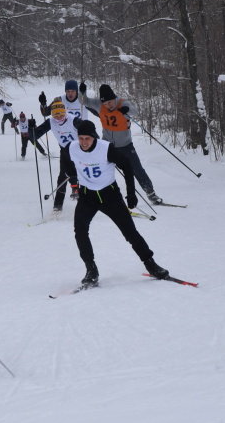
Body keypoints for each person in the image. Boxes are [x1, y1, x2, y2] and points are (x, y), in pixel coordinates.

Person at [65, 120, 170, 288]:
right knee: (80, 231)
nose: (83, 142)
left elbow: (127, 166)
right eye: (81, 138)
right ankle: (91, 270)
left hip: (109, 195)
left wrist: (130, 194)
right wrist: (74, 179)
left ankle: (150, 264)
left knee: (130, 232)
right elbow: (66, 163)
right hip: (87, 196)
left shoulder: (106, 149)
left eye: (87, 139)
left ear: (94, 137)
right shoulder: (71, 148)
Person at [81, 82, 163, 205]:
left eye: (110, 102)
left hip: (125, 145)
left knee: (137, 169)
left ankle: (151, 194)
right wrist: (82, 93)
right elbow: (84, 101)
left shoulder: (122, 103)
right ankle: (99, 195)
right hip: (108, 145)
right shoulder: (99, 104)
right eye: (105, 103)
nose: (108, 105)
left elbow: (135, 112)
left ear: (114, 98)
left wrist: (127, 110)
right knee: (102, 169)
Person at [30, 101, 82, 213]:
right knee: (62, 178)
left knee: (84, 176)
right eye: (55, 114)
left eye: (61, 114)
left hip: (80, 151)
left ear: (65, 112)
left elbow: (89, 131)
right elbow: (35, 136)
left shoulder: (74, 120)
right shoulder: (50, 122)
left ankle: (87, 202)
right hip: (65, 152)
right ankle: (57, 206)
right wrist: (31, 128)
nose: (58, 117)